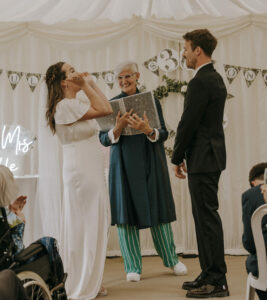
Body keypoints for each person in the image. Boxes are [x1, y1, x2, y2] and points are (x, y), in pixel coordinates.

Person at [99, 61, 187, 282]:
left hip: (150, 162)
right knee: (125, 215)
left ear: (137, 75)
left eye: (127, 76)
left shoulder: (151, 100)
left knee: (158, 210)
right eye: (119, 78)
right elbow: (103, 139)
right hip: (123, 165)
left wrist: (148, 130)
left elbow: (164, 133)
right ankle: (132, 267)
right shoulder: (111, 104)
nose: (124, 81)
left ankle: (171, 260)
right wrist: (117, 129)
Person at [45, 62, 112, 299]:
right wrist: (85, 84)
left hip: (88, 167)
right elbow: (105, 109)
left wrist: (91, 84)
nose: (77, 72)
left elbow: (105, 107)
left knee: (96, 220)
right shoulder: (64, 106)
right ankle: (81, 281)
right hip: (80, 172)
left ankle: (91, 277)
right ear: (64, 82)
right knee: (85, 223)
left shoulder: (76, 104)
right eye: (71, 71)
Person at [171, 29, 229, 298]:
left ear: (198, 50)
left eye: (185, 48)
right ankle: (208, 273)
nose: (183, 53)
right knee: (203, 217)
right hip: (208, 157)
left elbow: (188, 124)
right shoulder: (212, 78)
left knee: (206, 220)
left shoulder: (201, 82)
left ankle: (217, 280)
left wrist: (176, 156)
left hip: (204, 159)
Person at [242, 162, 267, 300]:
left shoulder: (250, 195)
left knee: (253, 261)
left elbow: (250, 243)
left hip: (265, 270)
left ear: (253, 182)